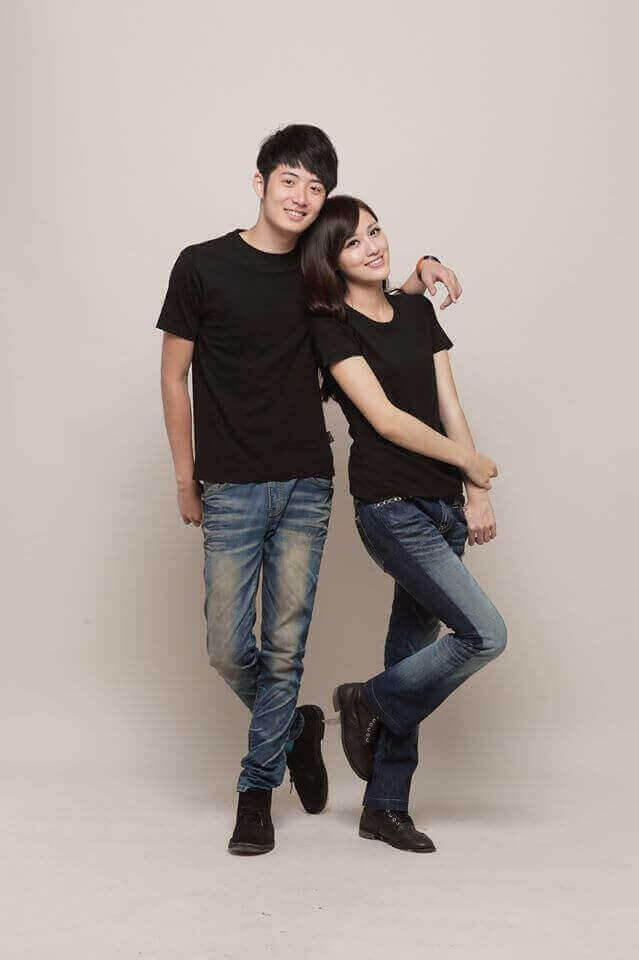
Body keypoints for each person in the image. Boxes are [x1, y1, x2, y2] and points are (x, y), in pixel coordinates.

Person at [156, 126, 463, 856]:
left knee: (284, 649)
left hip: (306, 483)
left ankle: (255, 793)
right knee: (227, 647)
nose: (301, 196)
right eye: (289, 179)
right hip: (229, 485)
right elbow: (173, 377)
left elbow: (380, 304)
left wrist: (420, 270)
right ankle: (296, 727)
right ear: (259, 182)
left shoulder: (316, 271)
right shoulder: (201, 265)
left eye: (315, 186)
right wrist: (185, 477)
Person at [303, 195, 507, 853]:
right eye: (353, 242)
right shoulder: (330, 326)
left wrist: (475, 490)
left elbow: (450, 406)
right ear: (331, 261)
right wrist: (470, 461)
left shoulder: (418, 312)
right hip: (391, 507)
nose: (372, 246)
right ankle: (365, 700)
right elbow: (386, 420)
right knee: (485, 634)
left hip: (445, 507)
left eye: (375, 231)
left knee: (414, 662)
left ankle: (384, 806)